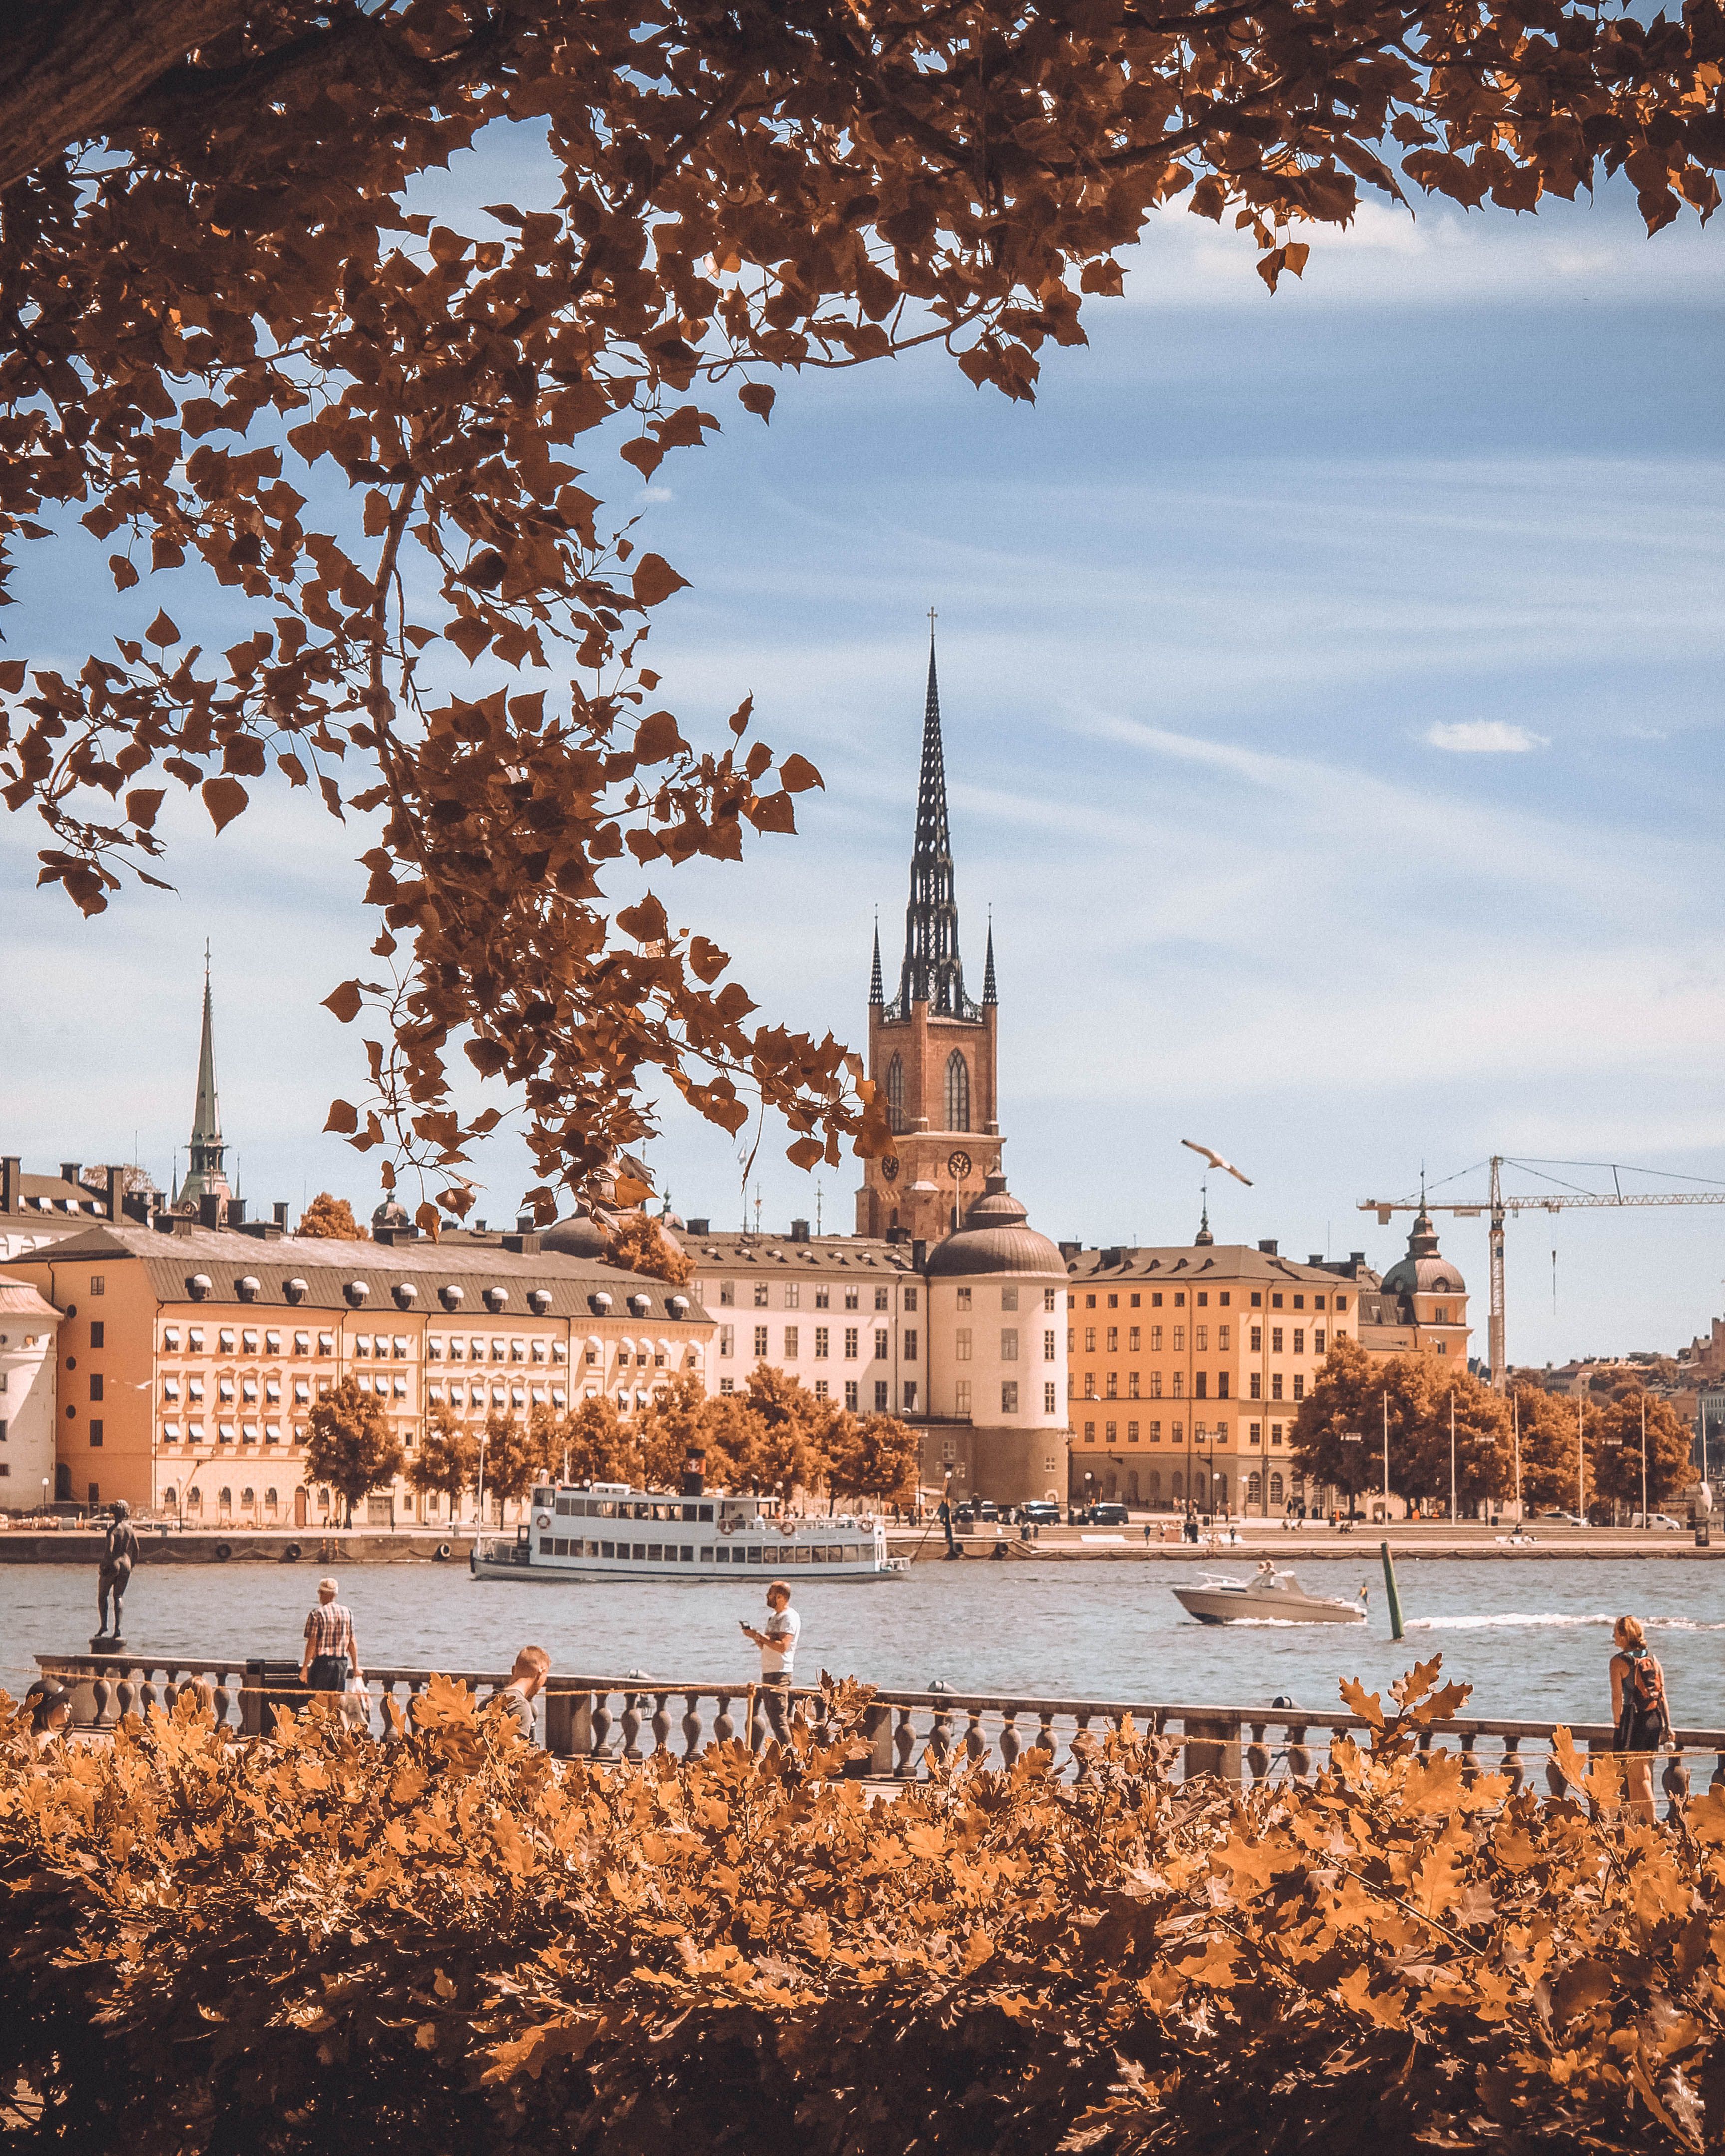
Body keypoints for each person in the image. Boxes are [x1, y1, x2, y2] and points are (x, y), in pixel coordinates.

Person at [1610, 1614, 1672, 1823]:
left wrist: (1618, 1723)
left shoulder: (1618, 1662)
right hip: (1654, 1719)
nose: (1614, 1638)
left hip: (1633, 1720)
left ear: (1625, 1636)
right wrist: (1668, 1726)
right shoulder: (1653, 1659)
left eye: (1617, 1634)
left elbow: (1617, 1697)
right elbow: (1662, 1695)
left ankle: (1654, 1822)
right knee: (1636, 1777)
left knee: (1641, 1776)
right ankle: (1639, 1823)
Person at [741, 1580, 800, 1743]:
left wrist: (760, 1637)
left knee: (778, 1719)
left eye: (771, 1593)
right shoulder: (773, 1617)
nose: (767, 1596)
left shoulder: (790, 1617)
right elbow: (767, 1646)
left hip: (780, 1672)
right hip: (768, 1671)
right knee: (775, 1719)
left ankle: (792, 1759)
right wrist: (755, 1637)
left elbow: (782, 1646)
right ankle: (787, 1756)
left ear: (780, 1597)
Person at [300, 1576, 362, 1696]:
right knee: (336, 1703)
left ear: (321, 1594)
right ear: (336, 1594)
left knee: (318, 1703)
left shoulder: (317, 1614)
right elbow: (352, 1642)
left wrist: (305, 1668)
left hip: (323, 1664)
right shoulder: (347, 1612)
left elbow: (312, 1643)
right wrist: (356, 1667)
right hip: (342, 1664)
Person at [96, 1499, 141, 1638]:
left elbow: (109, 1551)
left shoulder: (112, 1530)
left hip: (114, 1562)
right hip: (126, 1563)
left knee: (103, 1596)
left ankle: (104, 1626)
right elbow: (137, 1549)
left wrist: (103, 1566)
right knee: (119, 1596)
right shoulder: (130, 1529)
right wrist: (132, 1564)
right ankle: (118, 1629)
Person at [494, 1645, 552, 1741]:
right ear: (540, 1673)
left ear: (513, 1670)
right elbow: (514, 1754)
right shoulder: (521, 1707)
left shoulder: (489, 1700)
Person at [31, 1688, 74, 1756]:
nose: (70, 1707)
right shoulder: (48, 1739)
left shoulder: (41, 1736)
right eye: (66, 1702)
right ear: (52, 1707)